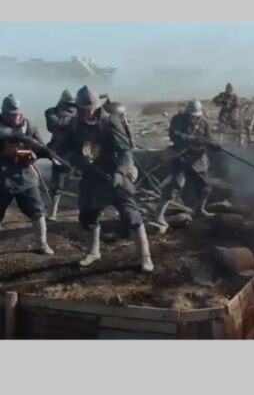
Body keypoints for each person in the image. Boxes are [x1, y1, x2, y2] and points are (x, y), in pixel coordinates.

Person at [55, 86, 153, 272]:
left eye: (92, 108)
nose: (89, 112)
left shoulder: (109, 122)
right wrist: (67, 157)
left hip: (113, 175)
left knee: (131, 216)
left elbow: (125, 152)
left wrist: (120, 173)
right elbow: (63, 147)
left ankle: (145, 257)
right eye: (85, 108)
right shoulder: (75, 124)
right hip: (91, 177)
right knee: (87, 216)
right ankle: (93, 252)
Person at [0, 94, 55, 254]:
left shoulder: (29, 127)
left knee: (37, 210)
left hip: (25, 176)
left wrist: (34, 154)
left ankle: (42, 244)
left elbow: (41, 148)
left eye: (18, 114)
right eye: (12, 115)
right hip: (2, 177)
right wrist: (6, 152)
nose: (16, 118)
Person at [155, 99, 221, 227]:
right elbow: (174, 135)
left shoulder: (203, 123)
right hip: (181, 157)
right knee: (175, 187)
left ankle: (199, 210)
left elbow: (209, 139)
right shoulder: (178, 119)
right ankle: (159, 215)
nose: (193, 119)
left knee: (205, 187)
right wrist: (193, 140)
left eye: (195, 116)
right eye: (191, 116)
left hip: (198, 159)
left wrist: (214, 145)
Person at [44, 89, 77, 221]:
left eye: (73, 105)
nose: (71, 107)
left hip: (78, 150)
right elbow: (55, 125)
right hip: (61, 151)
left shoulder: (79, 112)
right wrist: (74, 118)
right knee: (57, 183)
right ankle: (53, 211)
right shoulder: (51, 112)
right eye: (69, 104)